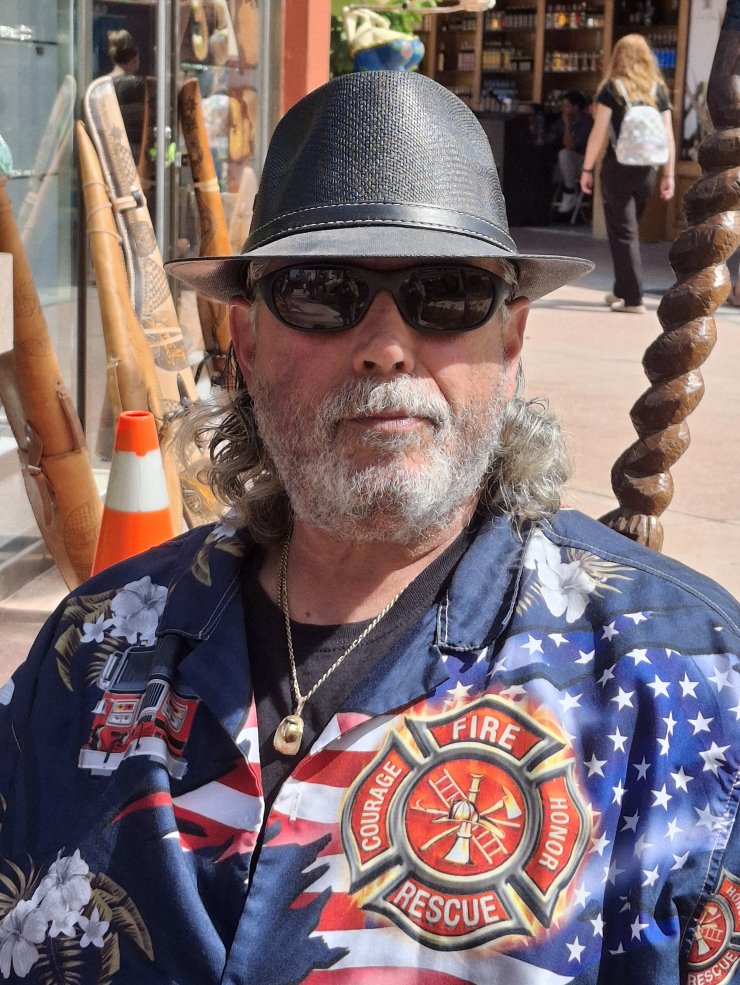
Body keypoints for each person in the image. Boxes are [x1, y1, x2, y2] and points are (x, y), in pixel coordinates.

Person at [0, 71, 738, 985]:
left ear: (510, 342)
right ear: (246, 339)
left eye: (446, 292)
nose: (386, 342)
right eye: (321, 289)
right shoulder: (88, 649)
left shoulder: (680, 686)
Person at [580, 35, 675, 314]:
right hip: (648, 171)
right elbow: (668, 135)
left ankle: (633, 299)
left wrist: (587, 168)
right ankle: (621, 290)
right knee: (625, 231)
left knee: (624, 233)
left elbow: (599, 134)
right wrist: (668, 174)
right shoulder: (657, 90)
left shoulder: (613, 89)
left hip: (618, 168)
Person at [550, 91, 593, 216]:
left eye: (567, 106)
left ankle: (569, 192)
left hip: (583, 161)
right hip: (566, 166)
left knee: (564, 154)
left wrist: (567, 124)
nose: (564, 109)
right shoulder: (560, 122)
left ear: (576, 107)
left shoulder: (585, 122)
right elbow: (550, 136)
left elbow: (570, 146)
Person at [107, 29, 145, 164]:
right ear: (135, 59)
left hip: (108, 156)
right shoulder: (136, 85)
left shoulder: (101, 86)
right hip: (132, 158)